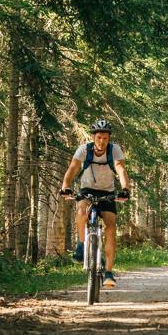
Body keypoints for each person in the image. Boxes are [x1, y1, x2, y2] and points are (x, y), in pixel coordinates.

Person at [60, 120, 130, 288]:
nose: (102, 141)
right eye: (99, 137)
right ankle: (82, 244)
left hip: (107, 192)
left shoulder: (114, 150)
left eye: (105, 138)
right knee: (81, 211)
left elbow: (120, 168)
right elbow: (73, 168)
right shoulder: (84, 150)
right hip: (87, 190)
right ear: (93, 137)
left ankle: (108, 272)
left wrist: (125, 189)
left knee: (111, 228)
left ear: (109, 138)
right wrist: (65, 187)